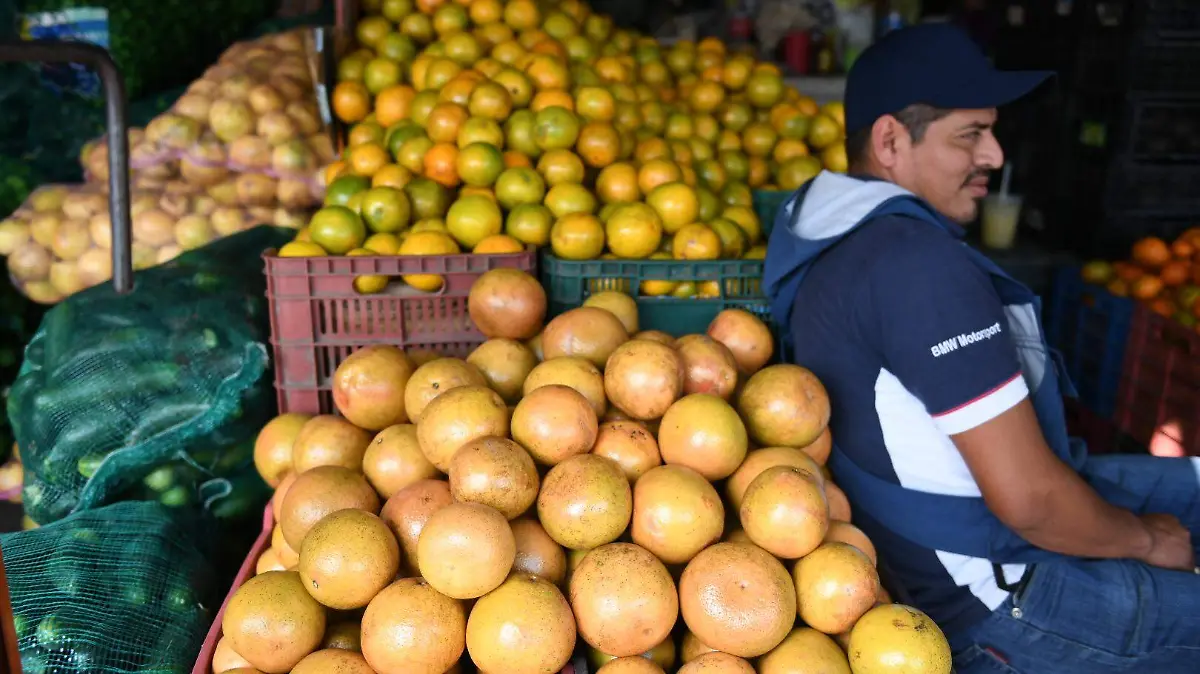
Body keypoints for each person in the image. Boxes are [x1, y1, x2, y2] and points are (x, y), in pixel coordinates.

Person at [762, 22, 1200, 673]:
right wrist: (1147, 540)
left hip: (922, 549)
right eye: (971, 135)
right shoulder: (915, 267)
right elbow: (1033, 502)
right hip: (995, 602)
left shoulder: (822, 228)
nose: (994, 156)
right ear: (889, 142)